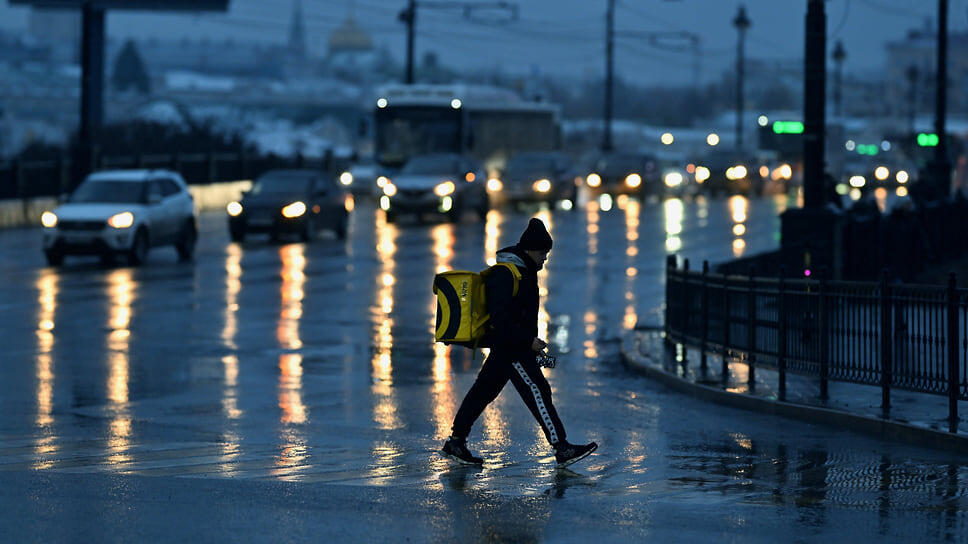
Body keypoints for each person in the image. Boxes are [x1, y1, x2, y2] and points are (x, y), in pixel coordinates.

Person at [441, 218, 598, 468]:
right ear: (529, 250)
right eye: (542, 253)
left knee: (482, 393)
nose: (545, 258)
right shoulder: (506, 275)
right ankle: (561, 447)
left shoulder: (525, 272)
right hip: (513, 349)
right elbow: (501, 320)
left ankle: (456, 442)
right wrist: (528, 342)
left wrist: (531, 344)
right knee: (537, 391)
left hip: (513, 347)